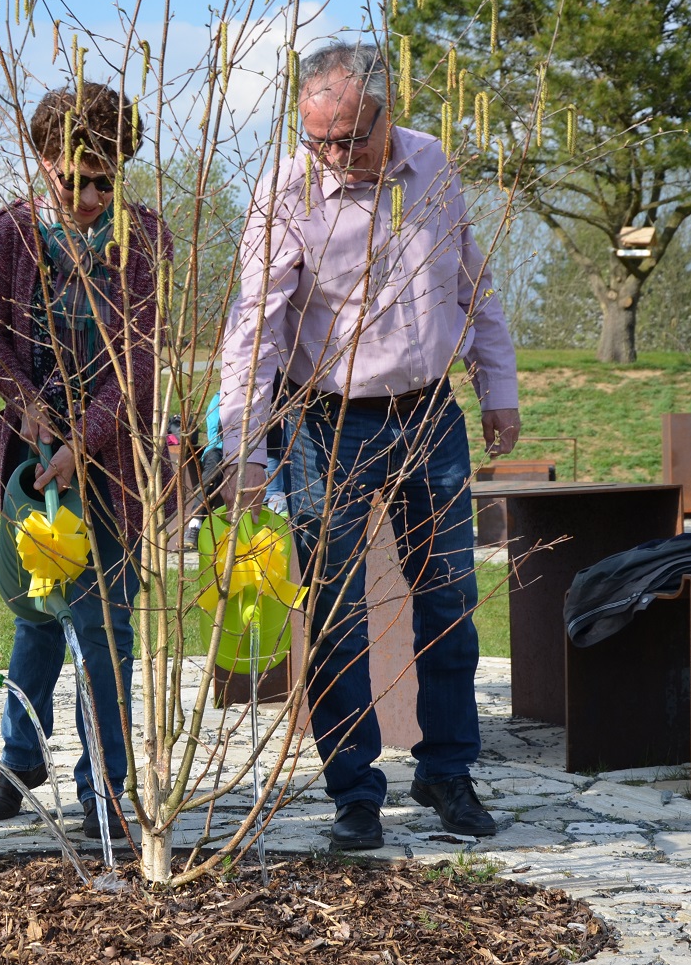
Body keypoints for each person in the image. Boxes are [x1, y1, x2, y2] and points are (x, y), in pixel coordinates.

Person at [217, 41, 522, 852]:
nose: (333, 157)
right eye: (318, 139)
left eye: (348, 138)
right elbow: (257, 323)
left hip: (431, 415)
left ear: (387, 115)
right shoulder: (285, 190)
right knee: (338, 617)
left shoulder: (433, 164)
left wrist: (499, 385)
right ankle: (354, 791)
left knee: (449, 599)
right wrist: (245, 446)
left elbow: (472, 280)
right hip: (328, 423)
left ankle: (448, 770)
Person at [0, 82, 171, 839]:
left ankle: (103, 791)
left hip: (112, 465)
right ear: (44, 159)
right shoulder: (15, 231)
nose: (89, 195)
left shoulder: (142, 238)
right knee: (38, 609)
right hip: (34, 456)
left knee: (105, 624)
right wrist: (29, 407)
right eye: (73, 177)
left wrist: (85, 439)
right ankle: (21, 754)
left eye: (104, 180)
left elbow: (141, 360)